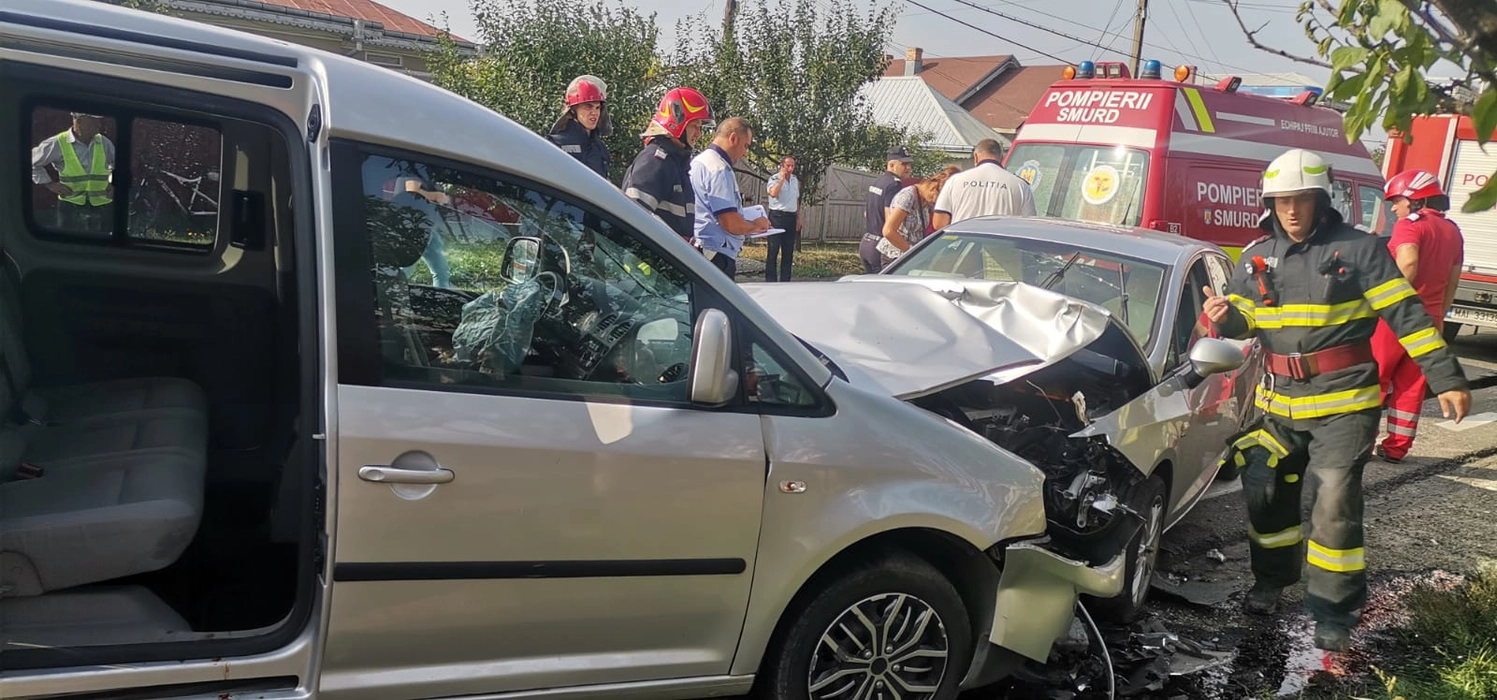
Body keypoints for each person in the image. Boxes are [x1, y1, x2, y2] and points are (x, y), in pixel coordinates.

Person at [1203, 148, 1471, 653]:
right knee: (1265, 491)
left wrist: (1447, 377)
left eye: (1302, 199)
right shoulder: (1256, 254)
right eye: (1282, 200)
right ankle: (1271, 581)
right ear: (1269, 203)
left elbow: (1407, 316)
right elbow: (1246, 320)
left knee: (1333, 504)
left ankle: (1333, 613)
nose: (1292, 210)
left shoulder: (1361, 250)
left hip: (1344, 406)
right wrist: (1226, 317)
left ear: (1321, 200)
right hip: (1278, 406)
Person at [1370, 169, 1466, 463]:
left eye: (1397, 201)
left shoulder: (1410, 226)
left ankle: (1361, 442)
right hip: (1430, 319)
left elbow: (1408, 262)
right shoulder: (1452, 231)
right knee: (1411, 386)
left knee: (1374, 380)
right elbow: (1452, 282)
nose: (1394, 208)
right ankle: (1397, 447)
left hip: (1396, 318)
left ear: (1415, 199)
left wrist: (1386, 302)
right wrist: (1438, 315)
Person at [621, 87, 714, 243]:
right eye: (695, 126)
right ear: (677, 122)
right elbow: (633, 221)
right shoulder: (654, 162)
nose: (698, 134)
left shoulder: (675, 164)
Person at [690, 117, 769, 278]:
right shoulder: (719, 169)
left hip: (701, 249)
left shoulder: (699, 162)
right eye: (745, 146)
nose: (745, 153)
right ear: (733, 138)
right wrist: (756, 226)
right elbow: (730, 223)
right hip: (717, 256)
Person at [32, 111, 115, 234]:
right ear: (79, 121)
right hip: (71, 208)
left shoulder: (104, 142)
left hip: (102, 206)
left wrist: (114, 184)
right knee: (68, 243)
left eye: (99, 121)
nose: (99, 124)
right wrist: (50, 184)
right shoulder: (58, 142)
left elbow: (118, 166)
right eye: (94, 121)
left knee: (103, 244)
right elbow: (32, 162)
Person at [931, 139, 1035, 231]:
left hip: (963, 242)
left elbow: (939, 223)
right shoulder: (1020, 185)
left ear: (976, 157)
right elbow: (1029, 226)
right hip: (1003, 245)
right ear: (1001, 158)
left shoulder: (955, 181)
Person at [877, 168, 956, 267]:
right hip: (896, 257)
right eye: (940, 197)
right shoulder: (908, 196)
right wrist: (912, 251)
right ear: (934, 187)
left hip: (911, 258)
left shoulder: (925, 200)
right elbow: (888, 231)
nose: (937, 201)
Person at [547, 75, 613, 180]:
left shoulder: (600, 148)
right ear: (573, 110)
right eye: (588, 107)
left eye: (597, 108)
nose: (594, 112)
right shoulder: (555, 144)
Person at [861, 146, 914, 273]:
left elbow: (866, 213)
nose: (908, 168)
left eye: (909, 164)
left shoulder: (877, 181)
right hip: (880, 246)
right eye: (903, 164)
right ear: (891, 165)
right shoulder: (894, 185)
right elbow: (889, 218)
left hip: (866, 243)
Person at [764, 156, 800, 282]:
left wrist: (798, 219)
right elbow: (773, 193)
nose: (790, 169)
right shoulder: (774, 179)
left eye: (792, 166)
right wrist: (781, 180)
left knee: (788, 252)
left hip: (791, 217)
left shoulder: (795, 180)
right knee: (773, 250)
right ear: (782, 166)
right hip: (777, 217)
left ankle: (786, 280)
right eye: (788, 166)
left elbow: (796, 200)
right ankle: (771, 281)